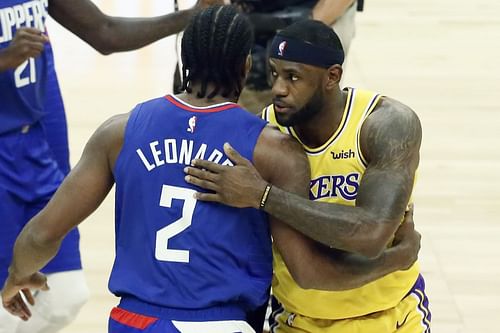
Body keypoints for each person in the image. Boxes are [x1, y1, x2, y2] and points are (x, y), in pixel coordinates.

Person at [2, 6, 420, 333]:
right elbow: (310, 274)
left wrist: (19, 275)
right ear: (244, 68)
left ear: (184, 62)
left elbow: (41, 233)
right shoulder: (272, 149)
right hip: (221, 322)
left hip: (135, 321)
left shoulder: (120, 131)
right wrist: (396, 259)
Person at [184, 20, 431, 333]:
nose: (278, 88)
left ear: (332, 76)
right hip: (299, 320)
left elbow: (371, 234)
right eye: (274, 73)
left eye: (293, 77)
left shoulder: (386, 124)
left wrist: (265, 196)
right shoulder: (265, 132)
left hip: (389, 315)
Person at [0, 0, 221, 332]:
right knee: (7, 307)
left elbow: (104, 32)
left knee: (65, 294)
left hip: (31, 144)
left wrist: (193, 17)